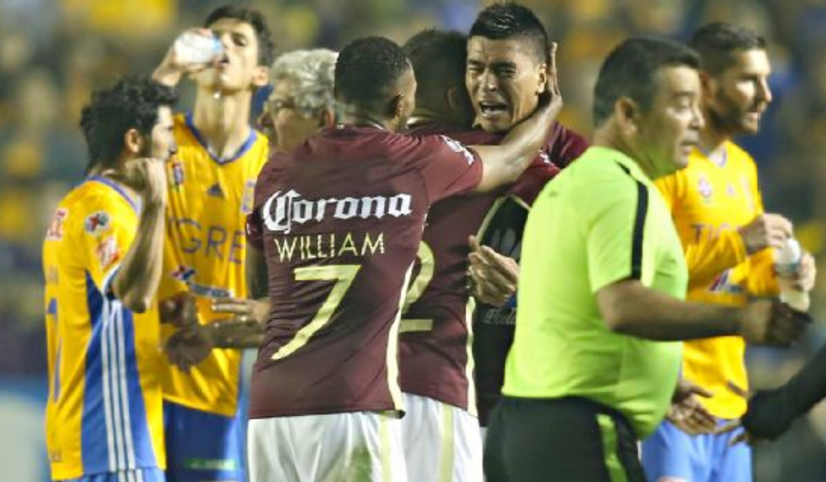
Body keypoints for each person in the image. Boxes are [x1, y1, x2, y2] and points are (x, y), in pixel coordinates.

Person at [483, 36, 810, 482]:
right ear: (628, 114)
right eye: (681, 105)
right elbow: (623, 306)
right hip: (580, 429)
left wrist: (664, 387)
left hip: (523, 426)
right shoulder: (623, 190)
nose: (697, 120)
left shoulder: (571, 183)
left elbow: (572, 309)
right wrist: (739, 320)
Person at [245, 35, 560, 482]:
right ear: (398, 105)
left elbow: (259, 288)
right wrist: (548, 104)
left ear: (337, 98)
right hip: (354, 401)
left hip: (268, 408)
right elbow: (511, 159)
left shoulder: (275, 172)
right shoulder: (412, 161)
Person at [397, 6, 587, 479]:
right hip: (445, 403)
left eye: (504, 71)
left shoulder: (575, 167)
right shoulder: (472, 159)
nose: (485, 86)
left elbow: (606, 283)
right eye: (475, 70)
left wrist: (529, 286)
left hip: (524, 410)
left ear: (543, 76)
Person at [640, 23, 817, 482]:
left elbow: (747, 276)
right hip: (674, 400)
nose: (766, 94)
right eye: (748, 80)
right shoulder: (664, 165)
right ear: (704, 85)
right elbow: (642, 282)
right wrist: (741, 242)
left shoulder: (742, 167)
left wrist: (787, 276)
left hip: (731, 404)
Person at [151, 5, 274, 482]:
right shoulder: (161, 137)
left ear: (260, 73)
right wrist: (168, 70)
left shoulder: (272, 163)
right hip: (143, 371)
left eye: (239, 41)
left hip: (219, 383)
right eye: (215, 38)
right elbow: (122, 143)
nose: (224, 46)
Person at [164, 49, 339, 362]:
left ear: (324, 120)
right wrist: (209, 335)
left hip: (356, 400)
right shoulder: (271, 191)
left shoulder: (368, 197)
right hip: (288, 395)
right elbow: (265, 309)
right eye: (267, 106)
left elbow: (348, 307)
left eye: (281, 107)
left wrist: (271, 309)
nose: (263, 120)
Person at [43, 75, 177, 482]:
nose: (173, 146)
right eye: (168, 132)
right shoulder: (107, 211)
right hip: (114, 438)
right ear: (134, 141)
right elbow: (132, 294)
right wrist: (156, 205)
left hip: (85, 438)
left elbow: (100, 310)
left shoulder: (75, 204)